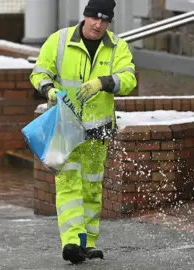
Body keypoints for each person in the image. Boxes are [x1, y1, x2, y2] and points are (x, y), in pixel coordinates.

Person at [29, 0, 137, 264]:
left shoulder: (117, 47)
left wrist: (104, 82)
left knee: (91, 188)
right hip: (66, 127)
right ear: (85, 17)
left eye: (105, 20)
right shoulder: (60, 40)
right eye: (94, 19)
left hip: (97, 132)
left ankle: (87, 243)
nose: (98, 25)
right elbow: (39, 72)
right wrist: (49, 90)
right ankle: (72, 243)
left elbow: (130, 79)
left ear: (110, 22)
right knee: (68, 185)